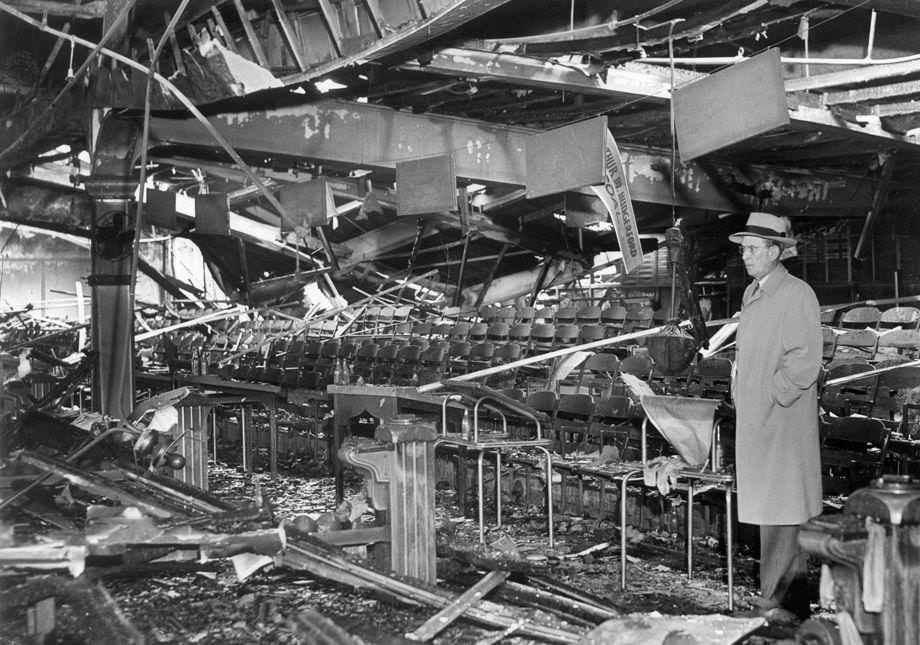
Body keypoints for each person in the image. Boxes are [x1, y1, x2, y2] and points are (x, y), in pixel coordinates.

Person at [729, 212, 823, 623]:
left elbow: (805, 360)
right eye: (743, 249)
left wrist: (772, 395)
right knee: (770, 512)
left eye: (752, 249)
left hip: (782, 421)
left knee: (785, 512)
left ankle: (788, 604)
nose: (745, 256)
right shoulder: (755, 293)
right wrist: (743, 394)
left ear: (774, 251)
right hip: (757, 418)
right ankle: (774, 597)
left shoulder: (796, 293)